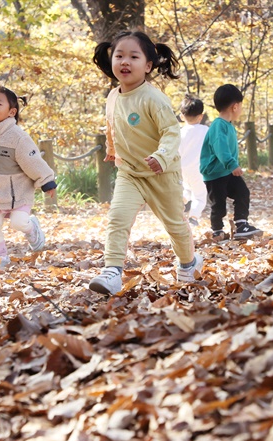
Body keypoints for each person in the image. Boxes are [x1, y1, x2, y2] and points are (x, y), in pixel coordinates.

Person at [88, 30, 203, 296]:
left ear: (148, 65)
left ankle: (188, 263)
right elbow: (111, 125)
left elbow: (171, 132)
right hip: (130, 174)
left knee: (175, 225)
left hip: (162, 174)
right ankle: (112, 271)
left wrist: (161, 157)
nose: (125, 62)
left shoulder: (154, 98)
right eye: (119, 56)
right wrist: (112, 149)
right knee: (117, 218)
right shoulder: (113, 96)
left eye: (133, 56)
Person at [0, 85, 56, 269]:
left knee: (18, 222)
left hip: (18, 193)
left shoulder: (17, 137)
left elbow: (33, 161)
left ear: (11, 112)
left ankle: (32, 229)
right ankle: (0, 257)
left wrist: (47, 181)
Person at [199, 84, 263, 241]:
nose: (240, 109)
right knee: (218, 203)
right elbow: (221, 148)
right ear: (235, 106)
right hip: (215, 173)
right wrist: (232, 164)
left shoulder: (227, 125)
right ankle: (217, 230)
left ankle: (241, 224)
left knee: (242, 192)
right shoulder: (218, 125)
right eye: (241, 106)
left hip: (227, 171)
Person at [178, 94, 208, 227]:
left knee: (187, 190)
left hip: (182, 169)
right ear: (201, 116)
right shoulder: (206, 131)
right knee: (200, 195)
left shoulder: (179, 132)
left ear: (181, 116)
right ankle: (193, 217)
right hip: (199, 169)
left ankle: (179, 203)